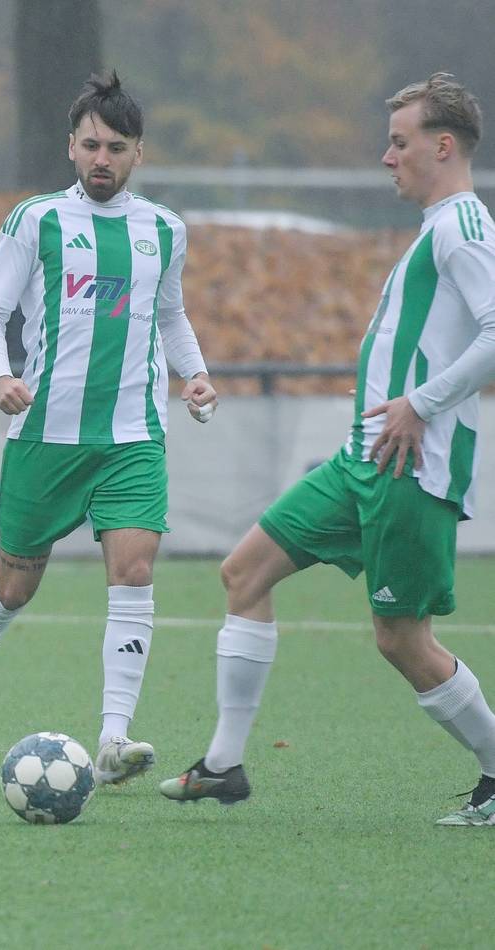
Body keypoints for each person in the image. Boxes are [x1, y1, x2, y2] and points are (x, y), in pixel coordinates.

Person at [160, 73, 495, 826]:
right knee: (244, 571)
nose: (387, 157)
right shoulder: (438, 228)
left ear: (443, 147)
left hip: (412, 464)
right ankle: (223, 766)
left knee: (402, 640)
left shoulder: (462, 228)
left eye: (400, 142)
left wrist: (421, 402)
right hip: (362, 459)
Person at [0, 72, 217, 784]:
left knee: (135, 569)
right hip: (46, 435)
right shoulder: (36, 221)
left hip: (132, 435)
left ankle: (115, 737)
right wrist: (0, 377)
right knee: (14, 587)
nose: (101, 157)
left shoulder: (163, 230)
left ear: (137, 153)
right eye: (90, 144)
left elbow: (171, 315)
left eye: (115, 147)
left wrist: (197, 373)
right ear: (71, 146)